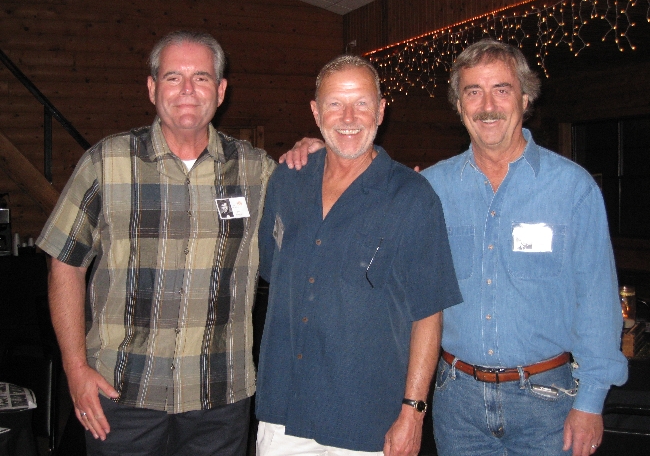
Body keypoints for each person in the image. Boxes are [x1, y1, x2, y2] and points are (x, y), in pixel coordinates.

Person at [280, 40, 628, 456]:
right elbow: (366, 182)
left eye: (501, 90)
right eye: (472, 92)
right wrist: (321, 149)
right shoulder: (429, 190)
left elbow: (597, 301)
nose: (487, 106)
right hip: (457, 403)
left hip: (548, 402)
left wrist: (591, 400)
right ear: (459, 106)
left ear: (525, 98)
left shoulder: (572, 188)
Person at [36, 31, 276, 456]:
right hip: (120, 393)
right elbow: (64, 263)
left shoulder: (257, 171)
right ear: (152, 88)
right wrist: (75, 369)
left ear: (221, 90)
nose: (187, 90)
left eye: (201, 77)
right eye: (173, 77)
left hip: (219, 397)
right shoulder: (105, 162)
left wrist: (319, 154)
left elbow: (317, 220)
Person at [255, 55, 462, 456]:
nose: (348, 117)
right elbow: (273, 273)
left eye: (361, 103)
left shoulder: (412, 196)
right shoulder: (286, 181)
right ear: (316, 112)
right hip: (284, 412)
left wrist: (413, 412)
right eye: (335, 103)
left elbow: (428, 313)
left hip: (368, 421)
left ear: (381, 111)